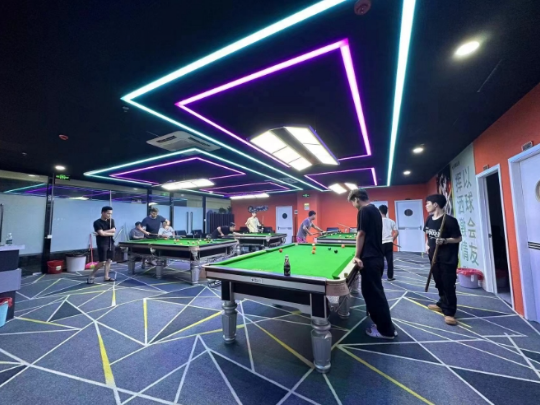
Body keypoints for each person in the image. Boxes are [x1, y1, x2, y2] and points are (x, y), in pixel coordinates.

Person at [348, 189, 396, 339]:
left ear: (356, 199)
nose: (353, 205)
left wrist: (356, 256)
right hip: (377, 257)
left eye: (352, 202)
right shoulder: (375, 210)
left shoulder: (363, 210)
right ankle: (385, 326)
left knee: (374, 295)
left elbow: (361, 234)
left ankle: (386, 331)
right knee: (376, 293)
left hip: (369, 258)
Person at [424, 194, 462, 326]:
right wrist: (427, 245)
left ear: (435, 204)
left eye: (428, 203)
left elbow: (458, 238)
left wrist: (445, 240)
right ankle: (442, 303)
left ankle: (450, 312)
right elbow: (428, 235)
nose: (426, 206)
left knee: (448, 284)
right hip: (434, 257)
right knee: (438, 282)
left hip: (447, 258)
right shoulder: (429, 219)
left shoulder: (450, 220)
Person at [89, 206, 116, 284]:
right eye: (108, 213)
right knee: (102, 262)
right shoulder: (97, 222)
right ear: (102, 212)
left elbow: (113, 231)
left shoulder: (111, 221)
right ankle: (91, 275)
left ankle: (106, 277)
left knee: (109, 260)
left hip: (111, 242)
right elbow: (102, 234)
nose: (110, 215)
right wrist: (102, 233)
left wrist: (102, 232)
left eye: (111, 214)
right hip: (102, 243)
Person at [379, 205, 399, 281]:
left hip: (381, 243)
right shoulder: (391, 221)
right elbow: (396, 232)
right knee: (390, 260)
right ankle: (390, 277)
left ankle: (379, 276)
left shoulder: (377, 221)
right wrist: (392, 240)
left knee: (380, 260)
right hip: (389, 243)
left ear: (380, 211)